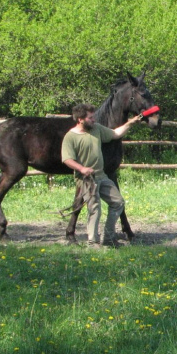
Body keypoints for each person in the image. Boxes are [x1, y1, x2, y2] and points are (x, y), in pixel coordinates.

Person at [61, 103, 141, 247]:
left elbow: (115, 133)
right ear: (80, 119)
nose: (94, 120)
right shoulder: (70, 137)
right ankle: (93, 242)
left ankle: (109, 238)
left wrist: (131, 123)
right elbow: (67, 159)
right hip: (86, 179)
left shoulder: (96, 129)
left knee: (118, 203)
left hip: (102, 176)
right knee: (94, 209)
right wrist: (82, 168)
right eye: (91, 118)